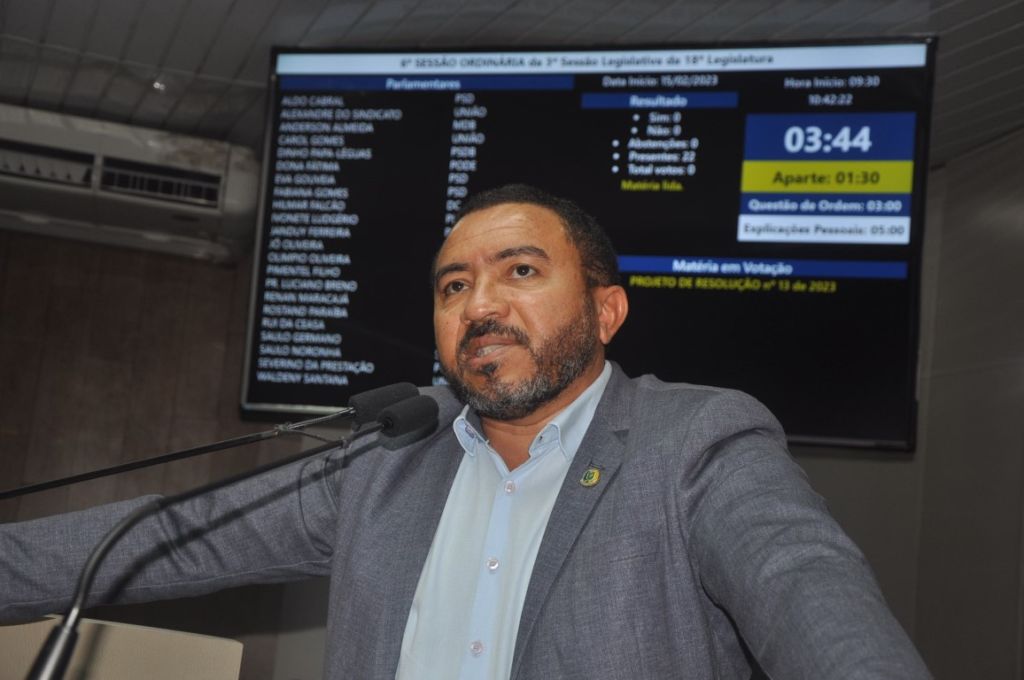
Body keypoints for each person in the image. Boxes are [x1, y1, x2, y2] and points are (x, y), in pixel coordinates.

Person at [0, 184, 930, 679]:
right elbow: (165, 536)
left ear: (606, 311)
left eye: (520, 271)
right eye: (454, 286)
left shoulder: (696, 443)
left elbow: (806, 594)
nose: (480, 305)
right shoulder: (389, 457)